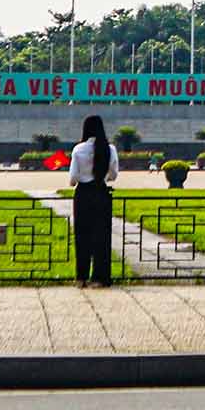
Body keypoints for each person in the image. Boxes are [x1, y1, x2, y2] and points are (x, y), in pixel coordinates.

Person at [69, 114, 119, 288]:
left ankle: (81, 277)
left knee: (82, 236)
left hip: (83, 194)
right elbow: (113, 175)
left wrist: (79, 180)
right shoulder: (110, 149)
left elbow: (73, 178)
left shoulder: (78, 149)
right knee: (102, 237)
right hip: (102, 193)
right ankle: (100, 277)